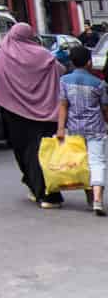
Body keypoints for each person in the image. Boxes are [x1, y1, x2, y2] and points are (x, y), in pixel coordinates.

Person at [0, 22, 67, 208]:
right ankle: (49, 195)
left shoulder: (4, 54)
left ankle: (37, 189)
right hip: (45, 112)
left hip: (14, 113)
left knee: (24, 152)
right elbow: (60, 70)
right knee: (45, 152)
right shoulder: (42, 54)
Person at [58, 45, 108, 217]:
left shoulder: (64, 81)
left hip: (74, 130)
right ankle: (97, 199)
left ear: (71, 62)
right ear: (89, 62)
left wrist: (60, 129)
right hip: (96, 129)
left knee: (82, 164)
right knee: (97, 163)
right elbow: (105, 109)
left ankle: (89, 197)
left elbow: (63, 105)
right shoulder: (99, 84)